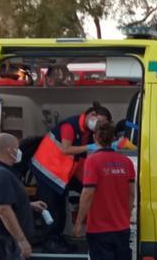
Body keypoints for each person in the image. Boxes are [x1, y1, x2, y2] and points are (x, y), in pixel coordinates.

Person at [73, 121, 136, 260]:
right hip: (121, 227)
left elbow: (88, 193)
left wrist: (79, 221)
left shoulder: (94, 161)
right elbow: (131, 194)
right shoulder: (125, 162)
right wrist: (126, 214)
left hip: (100, 228)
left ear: (95, 138)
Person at [31, 103, 111, 252]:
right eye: (99, 122)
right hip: (46, 169)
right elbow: (66, 149)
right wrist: (91, 147)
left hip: (61, 172)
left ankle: (57, 237)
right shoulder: (70, 126)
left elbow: (80, 160)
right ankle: (49, 241)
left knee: (60, 206)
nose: (99, 126)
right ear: (91, 115)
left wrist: (87, 182)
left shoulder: (86, 132)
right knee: (52, 206)